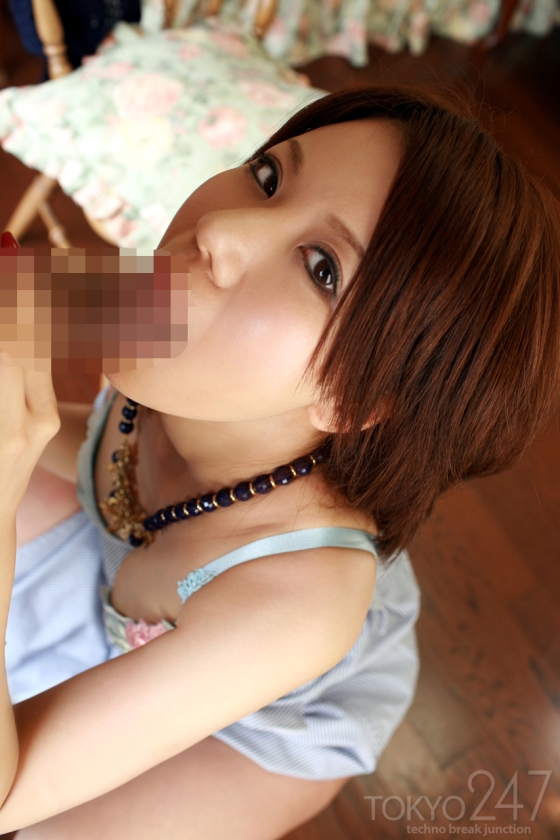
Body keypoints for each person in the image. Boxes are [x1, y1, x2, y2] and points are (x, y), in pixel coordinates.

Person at [0, 84, 559, 839]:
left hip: (267, 732)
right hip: (153, 557)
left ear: (355, 401)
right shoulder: (173, 332)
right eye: (267, 177)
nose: (218, 228)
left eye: (322, 268)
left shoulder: (301, 603)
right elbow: (93, 434)